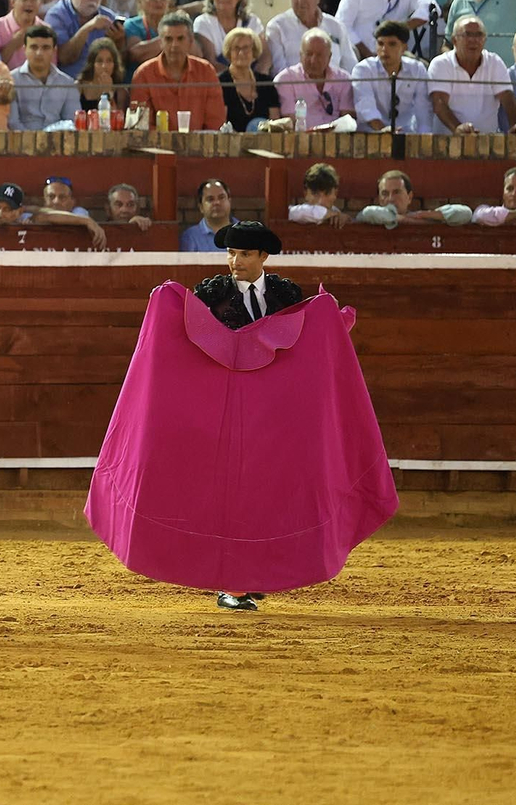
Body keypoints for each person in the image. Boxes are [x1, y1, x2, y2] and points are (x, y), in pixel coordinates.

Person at [87, 216, 397, 615]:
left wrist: (328, 323)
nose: (235, 261)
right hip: (217, 418)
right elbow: (182, 343)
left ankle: (257, 574)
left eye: (245, 254)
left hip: (274, 422)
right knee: (226, 497)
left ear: (264, 256)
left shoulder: (286, 293)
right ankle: (232, 583)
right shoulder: (210, 292)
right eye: (231, 252)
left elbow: (307, 344)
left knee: (269, 496)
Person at [428, 16, 516, 135]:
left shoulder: (494, 62)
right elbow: (439, 103)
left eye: (479, 35)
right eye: (467, 35)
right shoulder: (441, 64)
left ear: (484, 40)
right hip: (447, 143)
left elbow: (508, 98)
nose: (473, 40)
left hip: (488, 144)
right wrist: (458, 128)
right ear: (454, 40)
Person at [266, 0, 353, 73]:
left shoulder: (336, 26)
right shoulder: (277, 27)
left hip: (335, 87)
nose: (300, 1)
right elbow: (278, 71)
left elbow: (350, 66)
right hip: (295, 87)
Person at [351, 20, 432, 132]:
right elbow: (365, 106)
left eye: (392, 44)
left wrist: (424, 138)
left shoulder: (417, 69)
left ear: (404, 47)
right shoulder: (363, 69)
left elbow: (423, 109)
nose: (384, 49)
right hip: (371, 134)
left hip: (406, 133)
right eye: (380, 44)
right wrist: (384, 130)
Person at [273, 28, 354, 130]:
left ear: (329, 57)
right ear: (300, 55)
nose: (313, 60)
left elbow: (347, 119)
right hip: (300, 140)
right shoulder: (286, 79)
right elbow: (289, 122)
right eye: (309, 54)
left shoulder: (343, 79)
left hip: (336, 139)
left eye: (319, 55)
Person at [7, 24, 78, 129]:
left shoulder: (67, 83)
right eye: (34, 47)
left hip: (58, 142)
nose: (39, 53)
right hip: (22, 142)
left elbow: (71, 121)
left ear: (54, 51)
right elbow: (13, 123)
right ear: (24, 49)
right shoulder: (12, 80)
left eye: (46, 48)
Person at [217, 26, 278, 131]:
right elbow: (220, 123)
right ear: (229, 52)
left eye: (246, 48)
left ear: (254, 51)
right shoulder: (221, 83)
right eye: (236, 48)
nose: (241, 53)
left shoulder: (266, 83)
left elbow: (275, 122)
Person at [178, 177, 236, 251]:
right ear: (201, 207)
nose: (217, 203)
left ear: (229, 201)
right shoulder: (190, 237)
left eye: (221, 197)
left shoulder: (244, 233)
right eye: (210, 199)